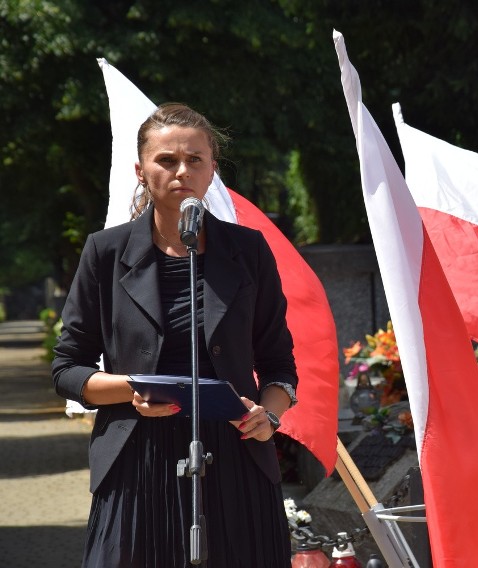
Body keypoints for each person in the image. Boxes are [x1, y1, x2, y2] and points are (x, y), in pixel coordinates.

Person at [53, 102, 298, 568]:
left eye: (195, 160)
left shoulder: (248, 251)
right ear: (141, 170)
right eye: (166, 160)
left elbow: (279, 364)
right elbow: (67, 370)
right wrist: (133, 390)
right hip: (136, 461)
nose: (182, 170)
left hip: (236, 455)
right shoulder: (105, 252)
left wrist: (268, 414)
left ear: (212, 171)